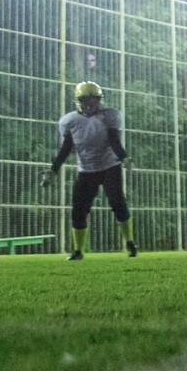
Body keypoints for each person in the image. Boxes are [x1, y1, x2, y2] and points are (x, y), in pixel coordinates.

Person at [49, 82, 135, 259]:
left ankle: (130, 242)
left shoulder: (109, 115)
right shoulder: (69, 121)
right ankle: (78, 251)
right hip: (86, 169)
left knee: (118, 203)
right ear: (78, 101)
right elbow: (66, 147)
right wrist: (54, 169)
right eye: (85, 100)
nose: (90, 104)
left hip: (109, 166)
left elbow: (114, 140)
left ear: (99, 100)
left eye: (94, 100)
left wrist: (124, 158)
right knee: (79, 210)